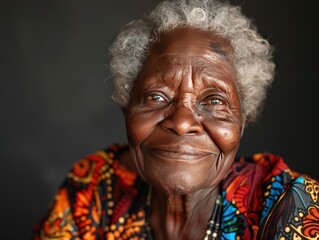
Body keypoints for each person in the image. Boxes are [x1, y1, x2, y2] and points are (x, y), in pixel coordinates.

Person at [32, 0, 319, 239]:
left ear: (241, 122)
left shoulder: (286, 204)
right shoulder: (92, 188)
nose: (182, 123)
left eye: (214, 101)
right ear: (126, 109)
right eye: (156, 97)